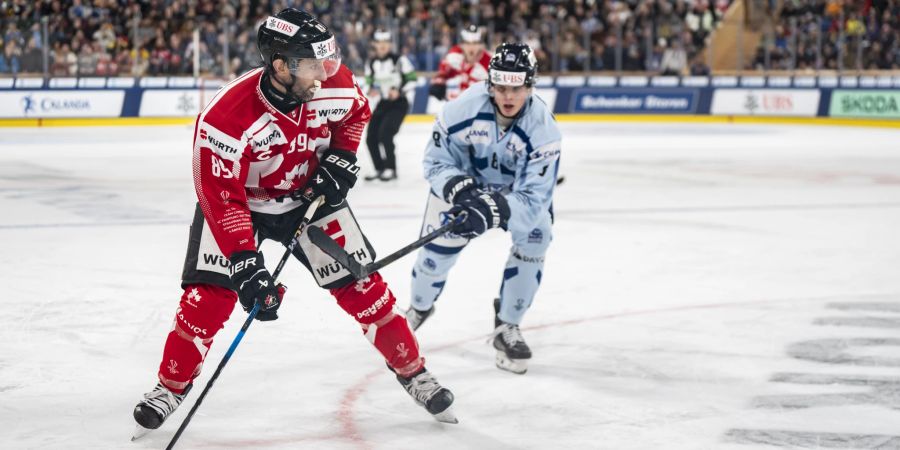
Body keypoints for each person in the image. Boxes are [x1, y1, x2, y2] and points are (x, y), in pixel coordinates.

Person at [132, 9, 457, 438]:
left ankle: (413, 371)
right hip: (239, 208)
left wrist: (342, 155)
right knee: (208, 300)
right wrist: (245, 263)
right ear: (280, 65)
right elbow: (220, 196)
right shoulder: (225, 120)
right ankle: (170, 386)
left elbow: (356, 115)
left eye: (327, 58)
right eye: (311, 64)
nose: (325, 72)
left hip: (311, 199)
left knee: (365, 291)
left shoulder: (331, 83)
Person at [406, 43, 561, 375]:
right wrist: (461, 189)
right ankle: (419, 308)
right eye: (500, 86)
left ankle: (508, 324)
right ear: (490, 83)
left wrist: (494, 208)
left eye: (516, 87)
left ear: (530, 85)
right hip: (462, 187)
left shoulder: (544, 129)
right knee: (433, 258)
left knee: (537, 236)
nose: (507, 95)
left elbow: (536, 199)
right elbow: (435, 162)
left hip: (514, 197)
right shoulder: (462, 109)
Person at [363, 28, 417, 182]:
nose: (382, 45)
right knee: (371, 137)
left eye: (385, 42)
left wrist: (399, 91)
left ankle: (391, 169)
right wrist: (371, 90)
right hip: (383, 102)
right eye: (379, 42)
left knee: (385, 134)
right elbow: (367, 83)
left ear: (390, 44)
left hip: (399, 103)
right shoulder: (371, 62)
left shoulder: (400, 60)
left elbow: (413, 79)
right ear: (374, 44)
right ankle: (379, 169)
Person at [428, 25, 492, 102]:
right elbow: (443, 71)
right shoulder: (455, 55)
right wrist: (439, 81)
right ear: (462, 45)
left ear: (481, 45)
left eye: (475, 43)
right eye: (467, 43)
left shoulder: (488, 63)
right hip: (456, 104)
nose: (471, 47)